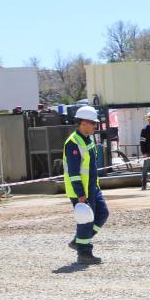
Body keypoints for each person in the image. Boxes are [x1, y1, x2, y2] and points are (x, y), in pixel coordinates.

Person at [63, 106, 109, 265]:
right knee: (86, 221)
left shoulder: (88, 139)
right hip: (81, 191)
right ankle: (84, 253)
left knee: (102, 214)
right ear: (83, 123)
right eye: (93, 123)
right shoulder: (73, 143)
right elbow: (74, 172)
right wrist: (80, 194)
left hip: (92, 187)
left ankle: (79, 241)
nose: (95, 126)